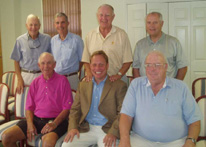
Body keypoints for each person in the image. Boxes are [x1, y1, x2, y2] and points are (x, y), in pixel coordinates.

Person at [119, 50, 201, 147]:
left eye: (157, 65)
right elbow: (126, 116)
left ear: (165, 67)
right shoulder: (135, 85)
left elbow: (194, 120)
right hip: (140, 140)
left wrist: (190, 141)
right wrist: (124, 139)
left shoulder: (181, 88)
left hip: (176, 142)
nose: (152, 69)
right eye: (148, 65)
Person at [2, 53, 73, 147]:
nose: (46, 66)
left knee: (48, 142)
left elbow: (67, 108)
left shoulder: (63, 81)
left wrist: (54, 124)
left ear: (54, 64)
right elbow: (29, 108)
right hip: (36, 119)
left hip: (56, 121)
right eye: (43, 63)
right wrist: (30, 124)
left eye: (49, 63)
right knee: (6, 137)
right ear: (39, 66)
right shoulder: (35, 82)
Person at [62, 51, 127, 147]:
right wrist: (73, 127)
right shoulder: (83, 85)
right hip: (86, 128)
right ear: (89, 66)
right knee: (66, 145)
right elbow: (75, 109)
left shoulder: (119, 86)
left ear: (107, 65)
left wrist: (113, 132)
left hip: (107, 129)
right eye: (94, 65)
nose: (97, 68)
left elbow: (123, 113)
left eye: (101, 65)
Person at [82, 4, 133, 83]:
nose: (104, 18)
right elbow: (85, 59)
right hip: (95, 81)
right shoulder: (90, 35)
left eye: (107, 15)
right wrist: (88, 72)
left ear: (113, 17)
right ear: (97, 16)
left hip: (116, 80)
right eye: (101, 15)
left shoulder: (121, 35)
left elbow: (128, 60)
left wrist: (119, 75)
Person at [133, 12, 188, 80]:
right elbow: (135, 68)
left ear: (162, 23)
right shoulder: (139, 45)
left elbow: (183, 67)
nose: (152, 26)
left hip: (168, 87)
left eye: (155, 22)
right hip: (145, 88)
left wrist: (176, 86)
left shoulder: (174, 43)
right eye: (149, 22)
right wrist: (139, 86)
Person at [10, 14, 51, 94]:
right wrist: (19, 79)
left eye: (36, 25)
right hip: (26, 76)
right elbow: (16, 61)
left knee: (43, 103)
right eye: (31, 25)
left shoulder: (47, 39)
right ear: (26, 26)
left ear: (39, 26)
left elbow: (51, 60)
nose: (33, 27)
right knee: (26, 104)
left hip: (42, 75)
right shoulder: (20, 40)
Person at [51, 12, 84, 90]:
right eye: (57, 23)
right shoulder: (53, 40)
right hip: (56, 79)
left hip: (71, 79)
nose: (60, 25)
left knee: (73, 101)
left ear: (68, 23)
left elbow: (82, 60)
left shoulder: (77, 39)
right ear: (54, 25)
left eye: (63, 22)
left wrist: (73, 72)